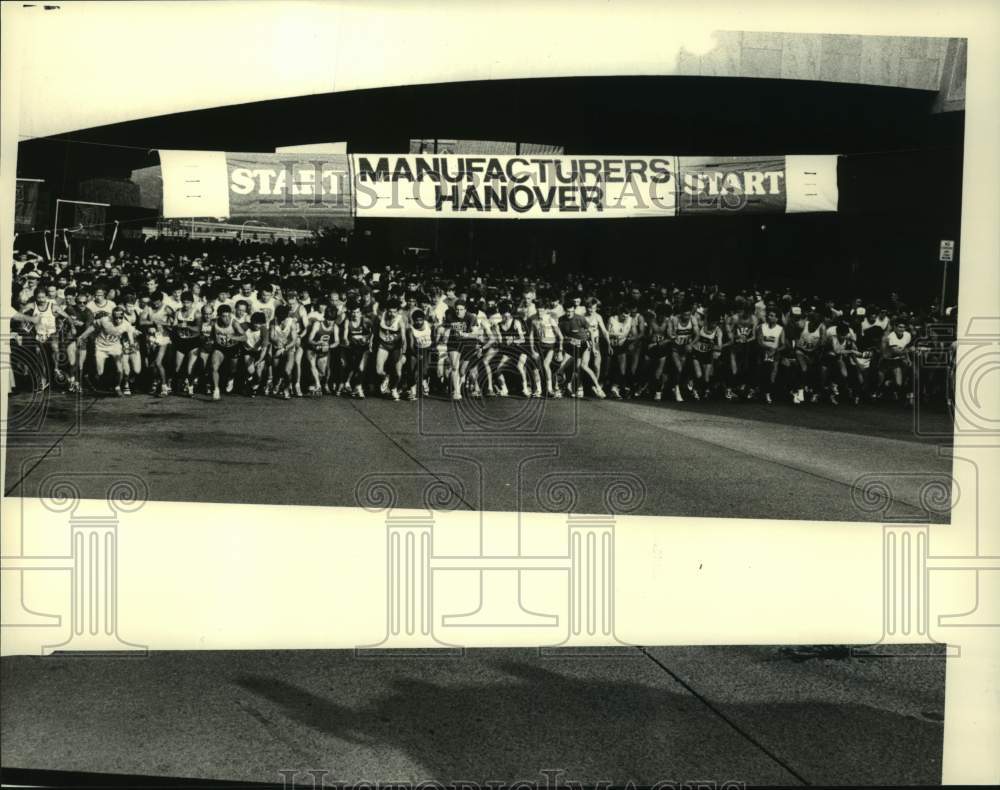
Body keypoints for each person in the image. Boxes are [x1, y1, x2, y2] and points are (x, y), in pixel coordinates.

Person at [209, 304, 246, 401]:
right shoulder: (214, 322)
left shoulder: (234, 323)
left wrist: (234, 337)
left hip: (233, 348)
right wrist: (210, 340)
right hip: (220, 348)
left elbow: (244, 337)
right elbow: (212, 335)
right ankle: (216, 390)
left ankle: (231, 379)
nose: (226, 319)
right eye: (224, 316)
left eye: (228, 316)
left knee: (232, 370)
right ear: (219, 316)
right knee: (214, 366)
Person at [306, 304, 340, 396]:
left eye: (332, 320)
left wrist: (328, 346)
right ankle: (317, 384)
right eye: (328, 319)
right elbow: (309, 339)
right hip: (312, 348)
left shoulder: (335, 327)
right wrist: (318, 343)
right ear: (325, 317)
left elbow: (337, 342)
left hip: (324, 350)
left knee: (322, 372)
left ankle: (314, 384)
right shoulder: (317, 324)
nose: (329, 322)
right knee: (312, 365)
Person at [880, 318, 914, 405]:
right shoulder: (891, 336)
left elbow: (905, 348)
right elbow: (896, 351)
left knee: (912, 371)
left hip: (901, 359)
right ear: (895, 327)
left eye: (903, 327)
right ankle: (888, 383)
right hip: (890, 361)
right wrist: (909, 350)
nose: (901, 329)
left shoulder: (907, 335)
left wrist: (908, 359)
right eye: (899, 327)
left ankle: (909, 395)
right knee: (898, 383)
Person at [756, 306, 785, 405]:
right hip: (763, 351)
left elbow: (783, 344)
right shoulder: (762, 326)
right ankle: (759, 391)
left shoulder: (780, 329)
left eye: (772, 316)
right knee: (761, 370)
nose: (769, 317)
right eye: (769, 315)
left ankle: (768, 393)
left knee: (773, 370)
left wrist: (775, 350)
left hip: (774, 353)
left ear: (777, 318)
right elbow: (759, 341)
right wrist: (768, 349)